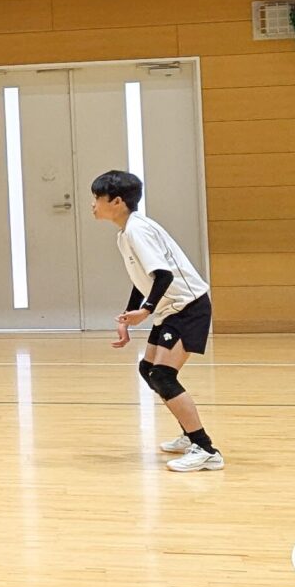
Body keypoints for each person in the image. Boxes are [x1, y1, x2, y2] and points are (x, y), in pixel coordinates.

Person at [90, 170, 221, 472]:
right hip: (170, 310)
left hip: (188, 307)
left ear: (117, 201)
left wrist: (146, 311)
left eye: (97, 198)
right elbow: (144, 279)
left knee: (163, 375)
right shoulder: (125, 234)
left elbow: (164, 275)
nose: (93, 204)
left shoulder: (138, 230)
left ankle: (206, 449)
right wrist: (128, 315)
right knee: (148, 370)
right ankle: (190, 435)